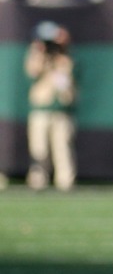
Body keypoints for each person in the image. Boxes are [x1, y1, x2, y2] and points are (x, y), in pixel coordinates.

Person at [24, 20, 77, 191]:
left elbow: (67, 81)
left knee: (62, 149)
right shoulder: (37, 55)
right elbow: (32, 71)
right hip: (41, 108)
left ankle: (65, 183)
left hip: (61, 110)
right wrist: (39, 51)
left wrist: (61, 50)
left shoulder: (65, 58)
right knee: (39, 150)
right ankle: (37, 182)